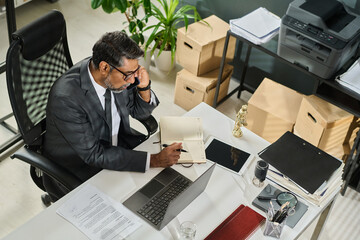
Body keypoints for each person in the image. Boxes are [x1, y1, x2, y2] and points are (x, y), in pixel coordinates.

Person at [44, 31, 182, 198]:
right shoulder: (66, 98)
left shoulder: (116, 78)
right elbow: (94, 154)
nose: (132, 80)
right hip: (80, 168)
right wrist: (153, 160)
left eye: (135, 71)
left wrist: (144, 87)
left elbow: (138, 112)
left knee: (166, 188)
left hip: (117, 147)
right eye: (129, 75)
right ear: (104, 67)